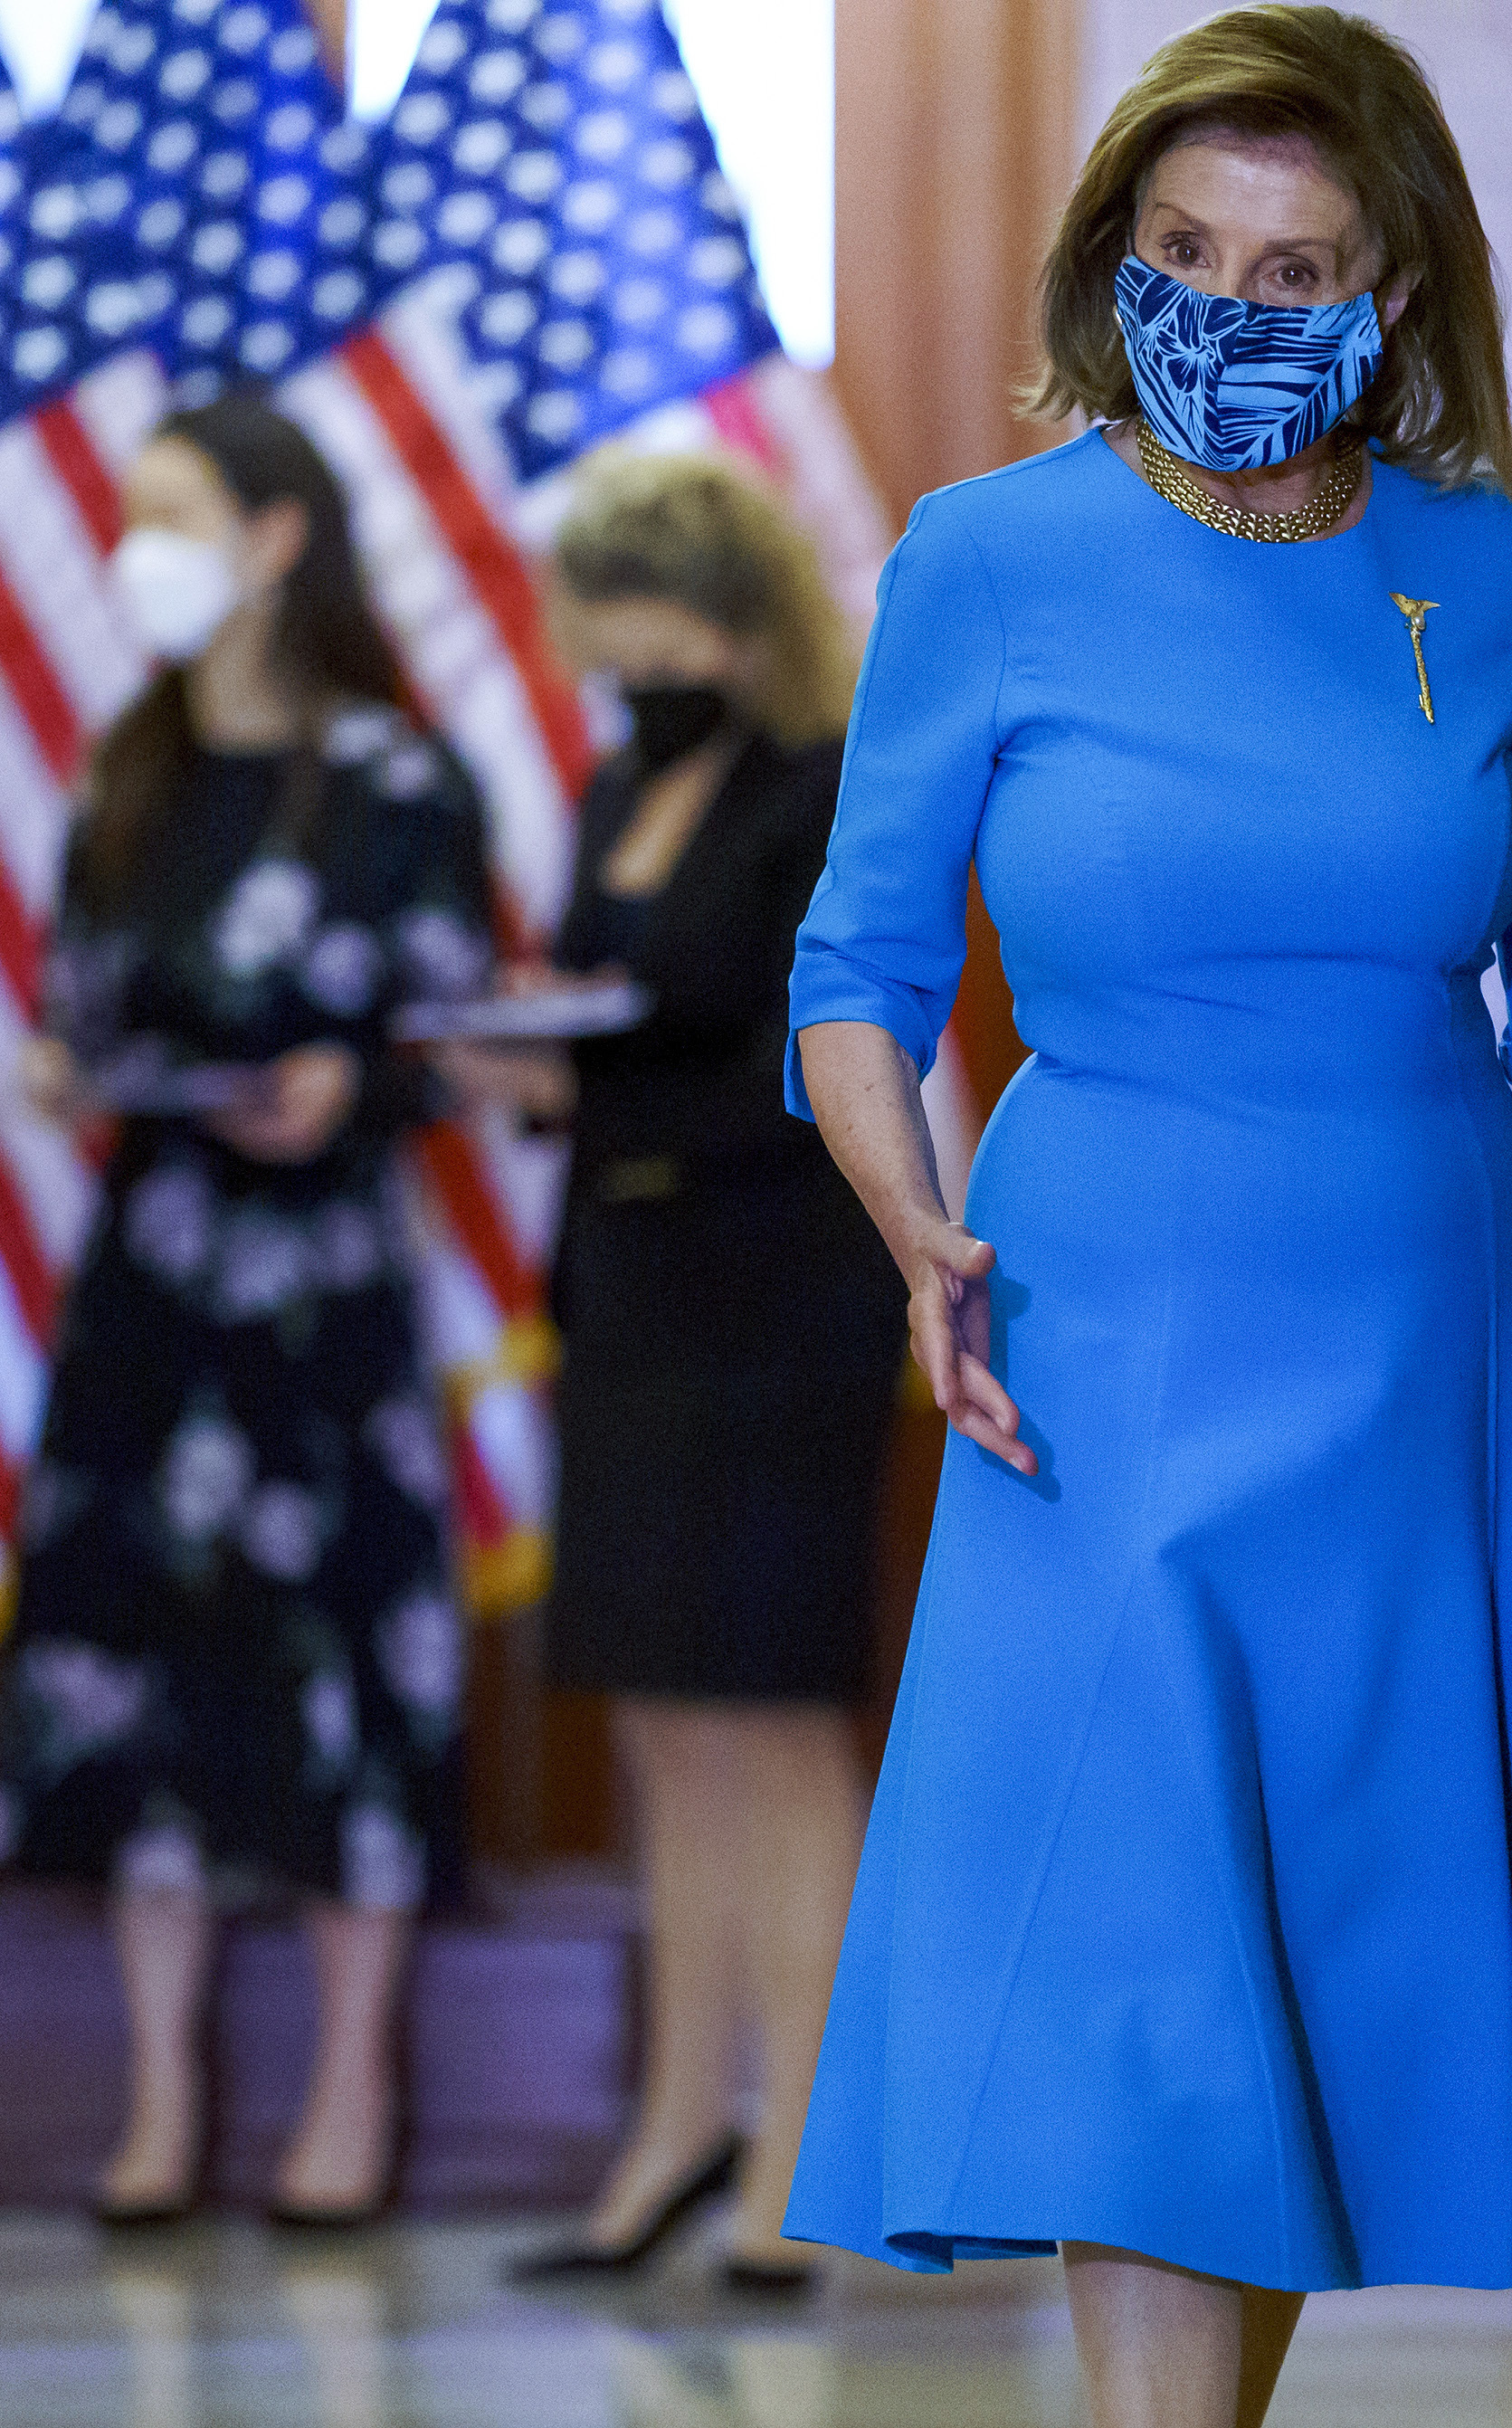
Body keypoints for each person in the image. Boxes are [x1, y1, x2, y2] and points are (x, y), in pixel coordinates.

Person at [779, 5, 1512, 2428]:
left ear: (1397, 299)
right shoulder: (986, 560)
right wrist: (909, 1222)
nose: (1235, 311)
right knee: (1139, 1971)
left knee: (1304, 1990)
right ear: (1113, 276)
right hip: (1091, 1317)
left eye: (1298, 273)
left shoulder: (1504, 571)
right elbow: (855, 964)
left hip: (1418, 1328)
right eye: (1186, 264)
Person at [0, 395, 497, 2231]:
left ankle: (353, 2092)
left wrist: (353, 1085)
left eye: (176, 514)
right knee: (137, 1656)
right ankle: (160, 2099)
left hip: (326, 1294)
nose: (141, 550)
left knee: (346, 1666)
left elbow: (458, 1030)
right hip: (152, 1281)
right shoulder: (127, 768)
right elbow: (80, 990)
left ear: (280, 538)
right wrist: (63, 1065)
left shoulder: (396, 783)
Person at [442, 455, 902, 2297]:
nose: (637, 670)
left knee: (778, 1721)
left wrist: (584, 1079)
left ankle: (813, 2143)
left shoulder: (819, 794)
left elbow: (815, 1054)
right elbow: (603, 1008)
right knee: (656, 1716)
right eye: (611, 641)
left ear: (740, 626)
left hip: (781, 1289)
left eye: (666, 634)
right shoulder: (617, 781)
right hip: (626, 1284)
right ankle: (671, 2132)